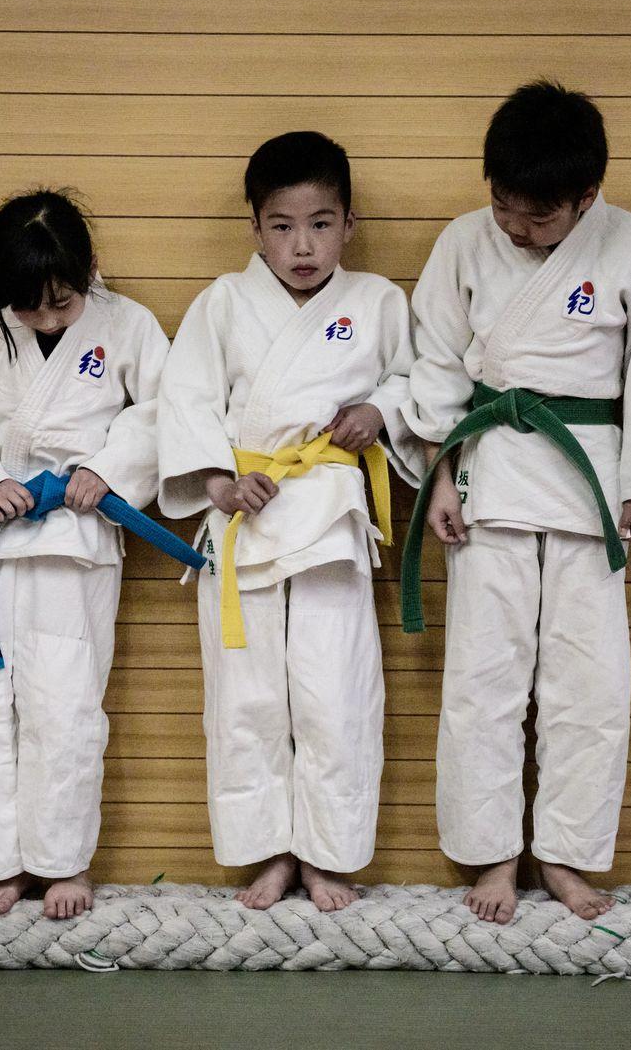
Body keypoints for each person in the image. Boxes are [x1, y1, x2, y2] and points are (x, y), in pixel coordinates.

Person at [401, 81, 631, 924]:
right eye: (504, 208)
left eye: (539, 218)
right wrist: (441, 468)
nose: (517, 229)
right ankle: (492, 854)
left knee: (588, 685)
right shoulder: (461, 242)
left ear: (587, 196)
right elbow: (436, 364)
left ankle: (565, 854)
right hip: (489, 473)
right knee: (483, 679)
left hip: (590, 481)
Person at [157, 132, 421, 912]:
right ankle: (267, 852)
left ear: (350, 222)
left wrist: (381, 408)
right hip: (246, 514)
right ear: (255, 228)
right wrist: (217, 479)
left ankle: (329, 853)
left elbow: (415, 381)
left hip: (332, 516)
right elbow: (188, 401)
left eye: (319, 223)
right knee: (246, 698)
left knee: (335, 689)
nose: (301, 245)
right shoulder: (222, 303)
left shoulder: (376, 301)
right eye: (281, 225)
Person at [0, 189, 168, 918]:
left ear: (90, 268)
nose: (46, 318)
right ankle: (0, 860)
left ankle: (63, 862)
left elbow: (162, 408)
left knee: (62, 707)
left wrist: (111, 468)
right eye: (28, 308)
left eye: (61, 305)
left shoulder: (129, 324)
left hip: (74, 538)